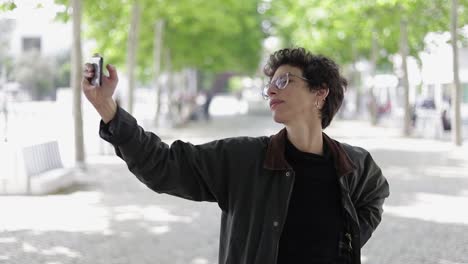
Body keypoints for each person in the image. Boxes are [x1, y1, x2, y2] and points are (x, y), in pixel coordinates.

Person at [82, 47, 389, 264]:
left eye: (284, 81)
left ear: (319, 93)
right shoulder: (244, 159)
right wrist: (108, 110)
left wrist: (346, 242)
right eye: (269, 85)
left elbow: (374, 196)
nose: (271, 90)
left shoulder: (356, 165)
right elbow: (164, 165)